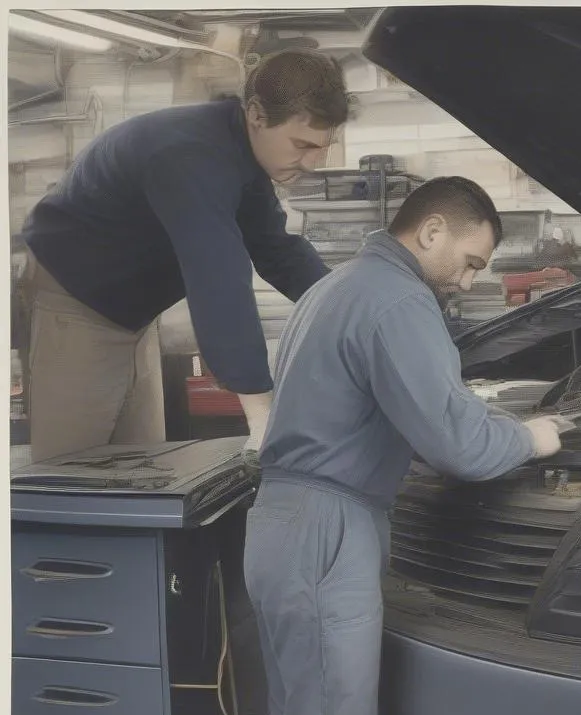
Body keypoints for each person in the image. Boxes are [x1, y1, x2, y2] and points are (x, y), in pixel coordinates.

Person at [243, 176, 566, 715]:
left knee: (293, 714)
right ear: (430, 231)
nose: (470, 278)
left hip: (279, 520)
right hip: (329, 530)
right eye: (469, 259)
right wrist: (532, 435)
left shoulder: (331, 287)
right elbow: (458, 442)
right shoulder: (397, 304)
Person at [20, 48, 349, 463]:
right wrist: (263, 419)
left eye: (321, 147)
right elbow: (219, 279)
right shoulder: (190, 156)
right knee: (73, 474)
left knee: (142, 465)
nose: (312, 162)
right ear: (257, 115)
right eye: (302, 144)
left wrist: (353, 309)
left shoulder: (242, 157)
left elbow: (278, 251)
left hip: (133, 314)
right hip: (76, 303)